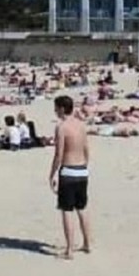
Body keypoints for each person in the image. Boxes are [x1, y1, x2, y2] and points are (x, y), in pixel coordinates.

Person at [49, 95, 92, 260]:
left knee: (66, 210)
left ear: (61, 108)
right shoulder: (81, 125)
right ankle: (87, 243)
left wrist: (52, 174)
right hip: (82, 170)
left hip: (68, 171)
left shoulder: (61, 127)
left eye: (55, 108)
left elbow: (58, 155)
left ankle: (69, 250)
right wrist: (84, 166)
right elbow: (87, 148)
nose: (54, 111)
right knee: (82, 208)